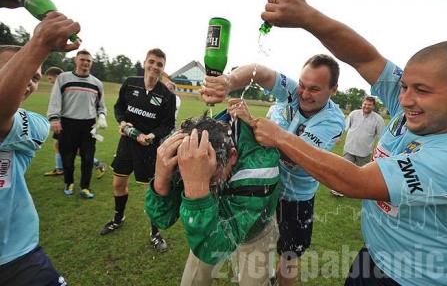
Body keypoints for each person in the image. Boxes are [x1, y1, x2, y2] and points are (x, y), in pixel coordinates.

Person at [214, 0, 447, 285]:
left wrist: (278, 136)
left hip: (419, 278)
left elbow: (355, 181)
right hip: (374, 257)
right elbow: (365, 58)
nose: (404, 100)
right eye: (404, 86)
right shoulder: (417, 107)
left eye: (422, 90)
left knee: (290, 255)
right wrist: (307, 17)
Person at [201, 56, 345, 286]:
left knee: (289, 255)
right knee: (253, 242)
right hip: (261, 185)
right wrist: (228, 81)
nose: (305, 94)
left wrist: (251, 123)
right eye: (302, 85)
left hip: (294, 198)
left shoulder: (333, 120)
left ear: (334, 89)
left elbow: (296, 155)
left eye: (314, 89)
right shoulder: (293, 92)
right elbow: (261, 72)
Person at [145, 112, 280, 285]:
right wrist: (161, 180)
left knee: (254, 281)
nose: (204, 184)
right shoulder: (190, 154)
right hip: (209, 217)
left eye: (211, 179)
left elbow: (214, 249)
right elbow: (161, 219)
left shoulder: (261, 168)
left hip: (256, 230)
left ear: (232, 156)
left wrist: (196, 187)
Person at [0, 11, 80, 286]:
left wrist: (40, 44)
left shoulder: (33, 124)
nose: (29, 83)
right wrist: (38, 44)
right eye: (20, 71)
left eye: (35, 76)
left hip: (19, 257)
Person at [99, 49, 176, 252]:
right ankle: (118, 218)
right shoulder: (130, 83)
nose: (154, 67)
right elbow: (119, 108)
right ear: (144, 63)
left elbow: (168, 125)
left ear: (163, 68)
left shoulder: (166, 95)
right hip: (127, 143)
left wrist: (151, 136)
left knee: (152, 192)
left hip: (149, 148)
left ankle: (155, 233)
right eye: (151, 62)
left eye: (159, 64)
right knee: (118, 183)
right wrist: (122, 122)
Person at [47, 50, 107, 198]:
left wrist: (102, 116)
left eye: (88, 61)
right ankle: (69, 182)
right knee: (68, 157)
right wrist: (54, 119)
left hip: (88, 126)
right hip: (67, 124)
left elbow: (101, 105)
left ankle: (85, 187)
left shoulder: (97, 83)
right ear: (76, 60)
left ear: (91, 63)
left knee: (87, 158)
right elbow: (55, 99)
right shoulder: (63, 78)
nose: (85, 63)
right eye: (82, 60)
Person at [331, 96, 384, 197]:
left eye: (369, 105)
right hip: (349, 148)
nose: (366, 106)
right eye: (365, 104)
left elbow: (381, 137)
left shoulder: (378, 119)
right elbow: (344, 127)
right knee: (343, 171)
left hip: (364, 152)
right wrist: (338, 137)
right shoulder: (354, 114)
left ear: (373, 106)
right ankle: (338, 190)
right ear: (362, 104)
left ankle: (356, 192)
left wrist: (377, 152)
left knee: (361, 175)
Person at [43, 67, 65, 177]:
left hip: (63, 122)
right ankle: (59, 169)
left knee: (73, 149)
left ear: (57, 77)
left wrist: (56, 120)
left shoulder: (63, 87)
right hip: (60, 121)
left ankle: (97, 164)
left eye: (50, 78)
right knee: (57, 145)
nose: (49, 81)